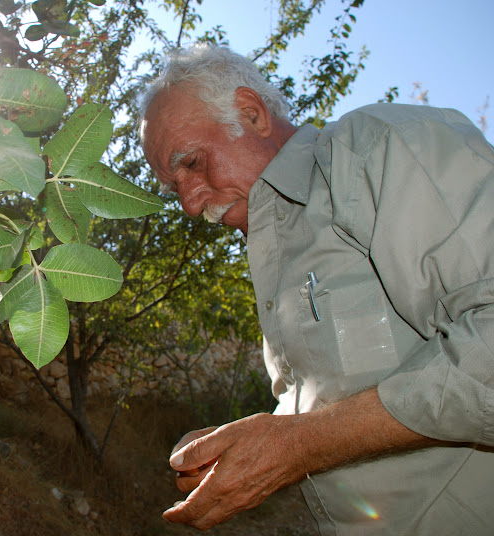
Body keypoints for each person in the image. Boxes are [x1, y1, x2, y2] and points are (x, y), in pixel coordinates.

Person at [139, 44, 494, 535]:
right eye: (173, 186)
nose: (190, 205)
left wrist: (295, 445)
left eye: (193, 164)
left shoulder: (376, 148)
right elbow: (330, 401)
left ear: (252, 113)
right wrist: (250, 445)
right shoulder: (276, 253)